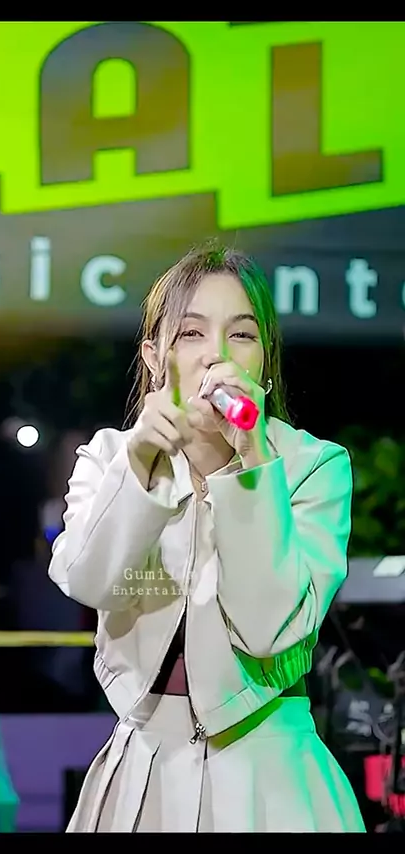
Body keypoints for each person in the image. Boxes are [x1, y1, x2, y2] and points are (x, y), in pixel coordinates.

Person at [48, 242, 366, 833]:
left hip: (269, 772)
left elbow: (268, 629)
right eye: (191, 333)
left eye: (241, 335)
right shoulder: (110, 456)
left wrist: (252, 462)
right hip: (143, 768)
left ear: (264, 361)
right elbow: (92, 582)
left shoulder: (312, 466)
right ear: (154, 357)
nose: (216, 355)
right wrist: (141, 464)